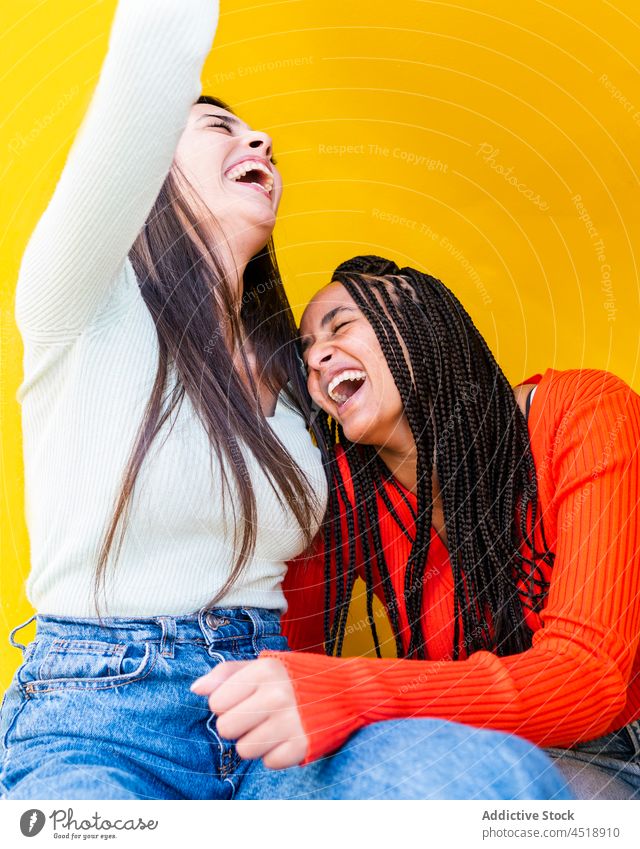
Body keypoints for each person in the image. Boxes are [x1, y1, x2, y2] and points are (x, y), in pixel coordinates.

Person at [1, 3, 572, 801]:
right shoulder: (82, 302)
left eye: (258, 134)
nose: (259, 141)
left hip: (271, 707)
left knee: (492, 783)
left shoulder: (295, 390)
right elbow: (147, 64)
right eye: (217, 127)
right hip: (99, 717)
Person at [193, 254, 640, 800]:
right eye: (307, 352)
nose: (317, 359)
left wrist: (356, 691)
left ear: (420, 320)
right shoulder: (348, 503)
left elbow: (588, 681)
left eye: (341, 326)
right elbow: (288, 661)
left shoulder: (585, 415)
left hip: (619, 746)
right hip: (477, 750)